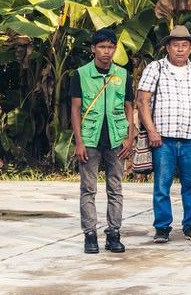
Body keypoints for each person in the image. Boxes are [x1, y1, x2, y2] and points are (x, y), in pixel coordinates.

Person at [137, 25, 191, 244]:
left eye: (184, 45)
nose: (180, 49)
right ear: (167, 47)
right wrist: (152, 131)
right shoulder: (155, 68)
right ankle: (162, 227)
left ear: (190, 48)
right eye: (176, 45)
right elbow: (142, 101)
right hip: (163, 140)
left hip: (190, 139)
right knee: (162, 186)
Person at [70, 28, 136, 254]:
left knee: (115, 188)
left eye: (110, 47)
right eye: (102, 47)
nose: (106, 51)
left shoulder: (123, 74)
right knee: (88, 189)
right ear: (93, 49)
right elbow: (75, 109)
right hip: (90, 139)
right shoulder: (81, 74)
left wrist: (129, 137)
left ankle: (114, 233)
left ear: (115, 49)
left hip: (117, 139)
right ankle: (90, 234)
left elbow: (129, 107)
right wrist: (79, 141)